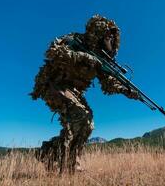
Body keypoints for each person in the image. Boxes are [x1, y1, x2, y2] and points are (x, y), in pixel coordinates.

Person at [30, 14, 139, 173]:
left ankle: (53, 155)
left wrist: (125, 91)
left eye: (111, 37)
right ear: (99, 32)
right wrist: (83, 56)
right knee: (81, 117)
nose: (109, 39)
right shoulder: (76, 40)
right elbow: (52, 52)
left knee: (88, 125)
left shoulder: (101, 60)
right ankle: (67, 162)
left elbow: (108, 84)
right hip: (54, 84)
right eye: (107, 35)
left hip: (72, 91)